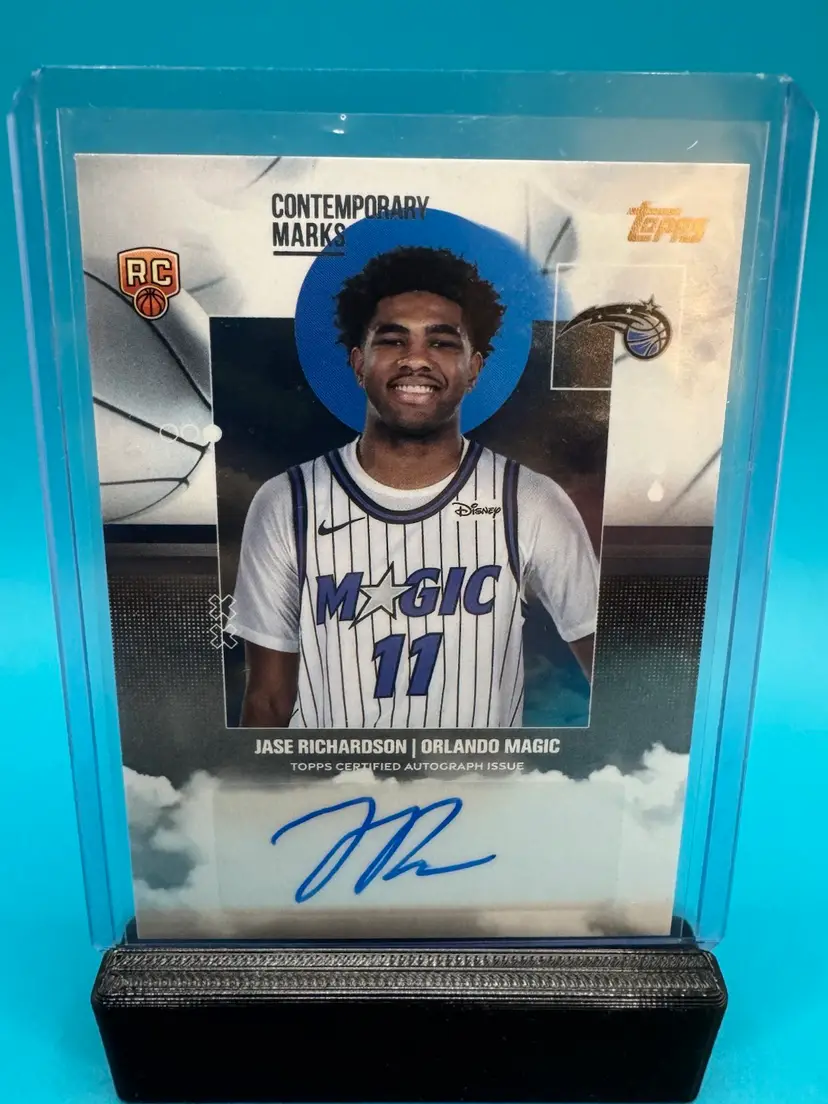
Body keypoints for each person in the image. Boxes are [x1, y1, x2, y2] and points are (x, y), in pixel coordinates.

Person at [232, 245, 598, 728]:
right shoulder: (287, 501)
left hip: (476, 775)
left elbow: (610, 677)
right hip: (330, 777)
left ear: (474, 369)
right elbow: (267, 703)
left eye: (442, 342)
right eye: (393, 340)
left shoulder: (527, 499)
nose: (416, 359)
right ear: (359, 363)